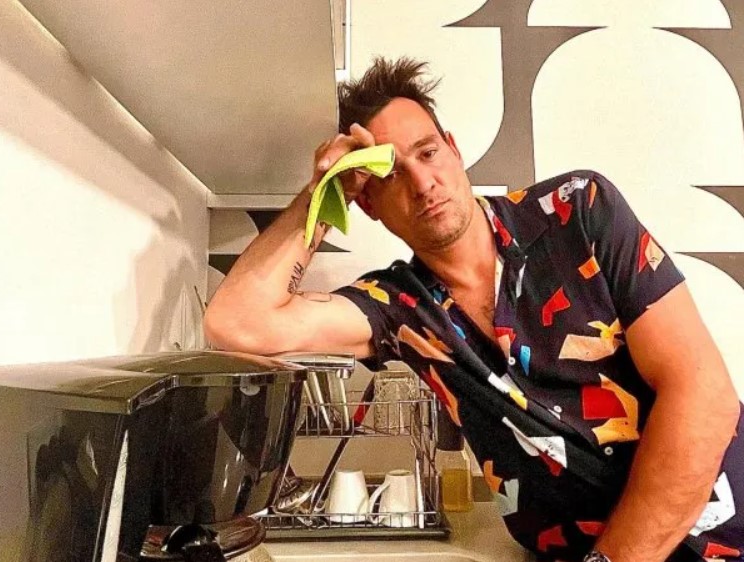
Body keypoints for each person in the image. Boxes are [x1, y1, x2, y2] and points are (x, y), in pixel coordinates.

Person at [204, 57, 743, 562]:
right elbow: (237, 324)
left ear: (454, 151)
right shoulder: (401, 308)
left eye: (427, 153)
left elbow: (705, 395)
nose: (423, 184)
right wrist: (323, 194)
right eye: (390, 174)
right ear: (366, 202)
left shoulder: (577, 210)